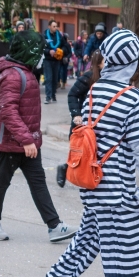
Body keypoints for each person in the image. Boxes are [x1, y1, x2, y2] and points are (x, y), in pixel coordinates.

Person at [37, 30, 139, 277]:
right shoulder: (132, 98)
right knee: (127, 250)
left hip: (91, 184)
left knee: (91, 237)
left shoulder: (94, 92)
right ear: (133, 64)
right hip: (116, 191)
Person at [0, 30, 78, 243]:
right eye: (39, 50)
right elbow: (8, 110)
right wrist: (26, 139)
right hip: (12, 142)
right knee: (1, 182)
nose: (42, 55)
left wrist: (30, 139)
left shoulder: (23, 72)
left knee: (38, 184)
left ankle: (54, 226)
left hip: (28, 142)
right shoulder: (13, 75)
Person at [55, 50, 105, 188]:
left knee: (90, 154)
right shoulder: (89, 77)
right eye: (104, 60)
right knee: (79, 154)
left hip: (96, 122)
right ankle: (65, 168)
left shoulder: (107, 78)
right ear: (98, 62)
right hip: (82, 123)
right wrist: (76, 114)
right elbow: (72, 95)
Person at [43, 20, 69, 104]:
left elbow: (66, 46)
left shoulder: (59, 36)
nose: (55, 28)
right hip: (47, 60)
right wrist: (48, 51)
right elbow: (41, 48)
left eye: (56, 26)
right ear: (49, 26)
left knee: (55, 79)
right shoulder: (44, 35)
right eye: (54, 26)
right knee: (48, 78)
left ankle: (53, 95)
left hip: (57, 60)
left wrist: (61, 50)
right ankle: (48, 97)